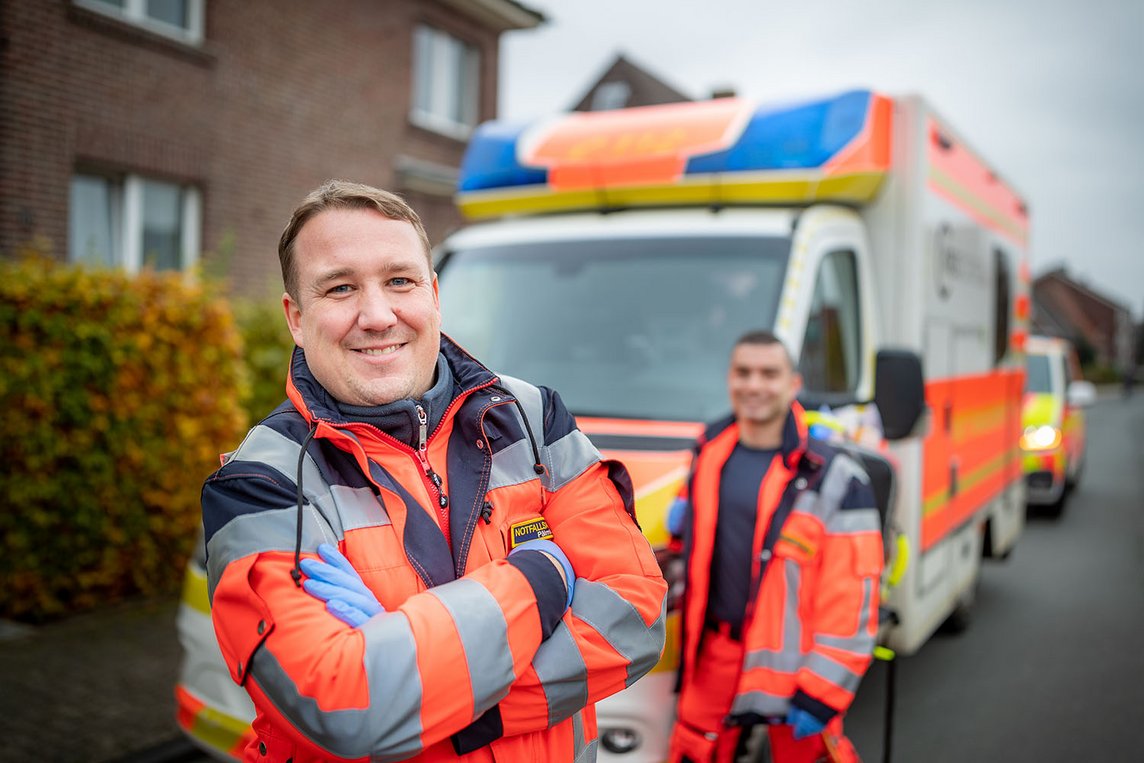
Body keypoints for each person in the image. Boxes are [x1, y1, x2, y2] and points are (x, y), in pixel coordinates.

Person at [201, 180, 667, 762]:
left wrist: (420, 678)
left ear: (434, 293)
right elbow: (344, 705)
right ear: (296, 318)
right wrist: (541, 575)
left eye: (400, 280)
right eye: (340, 288)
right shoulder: (259, 486)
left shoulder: (533, 419)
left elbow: (634, 617)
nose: (377, 315)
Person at [666, 331, 882, 763]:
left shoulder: (834, 476)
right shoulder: (710, 451)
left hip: (795, 663)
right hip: (715, 653)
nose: (755, 385)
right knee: (691, 752)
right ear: (730, 378)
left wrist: (822, 690)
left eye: (769, 373)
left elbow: (853, 596)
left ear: (794, 384)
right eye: (744, 372)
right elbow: (694, 543)